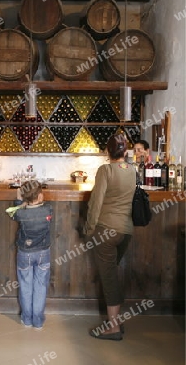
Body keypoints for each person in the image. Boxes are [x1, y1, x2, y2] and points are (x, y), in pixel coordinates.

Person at [85, 134, 136, 341]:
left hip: (106, 230)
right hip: (125, 231)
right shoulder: (132, 170)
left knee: (109, 278)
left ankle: (113, 327)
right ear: (125, 151)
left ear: (107, 151)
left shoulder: (105, 170)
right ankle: (116, 320)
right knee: (112, 273)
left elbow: (96, 202)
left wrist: (89, 228)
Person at [6, 180, 52, 330]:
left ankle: (26, 319)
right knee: (41, 286)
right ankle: (38, 321)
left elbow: (12, 213)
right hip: (43, 252)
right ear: (39, 196)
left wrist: (19, 199)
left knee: (25, 285)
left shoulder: (20, 213)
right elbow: (42, 208)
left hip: (25, 253)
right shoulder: (48, 210)